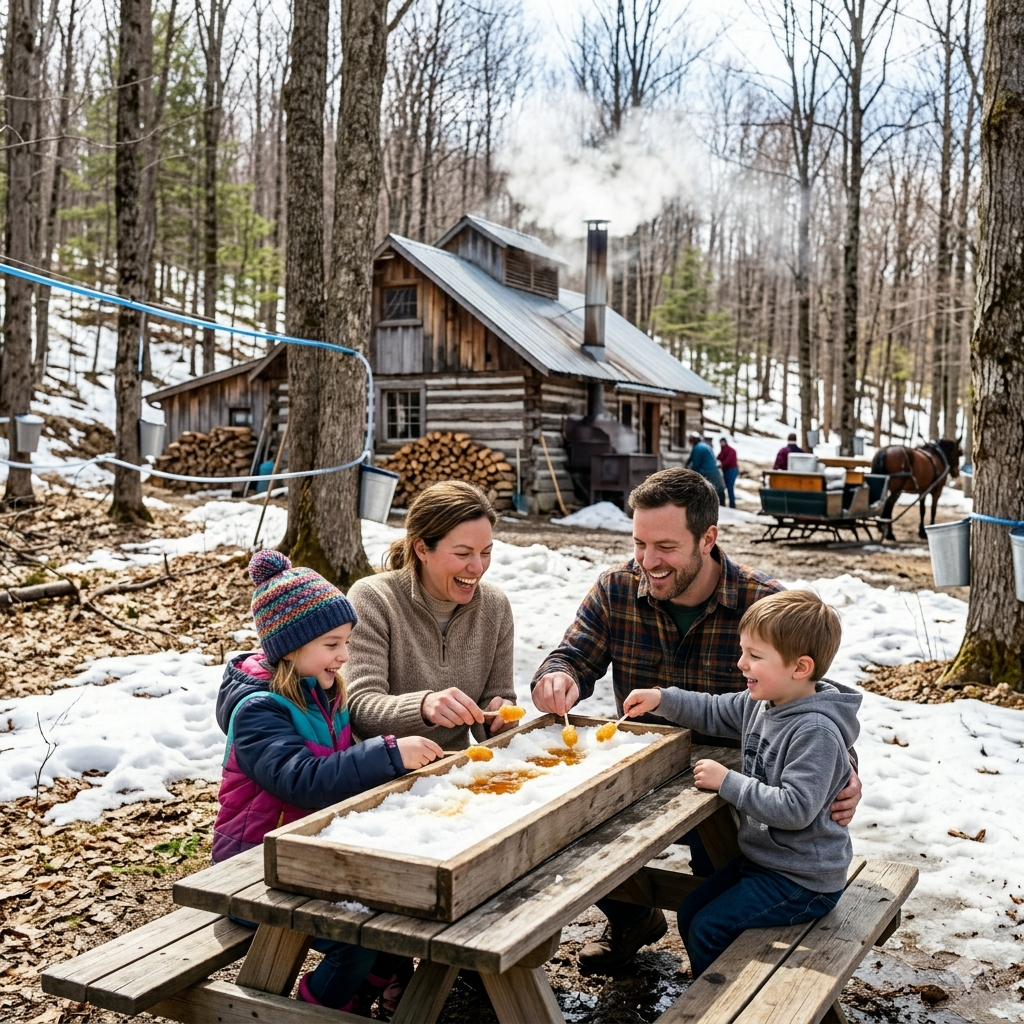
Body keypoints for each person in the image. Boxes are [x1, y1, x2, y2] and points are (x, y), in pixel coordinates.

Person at [530, 467, 862, 973]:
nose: (647, 561)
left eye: (664, 546)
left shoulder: (763, 604)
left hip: (733, 789)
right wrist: (557, 678)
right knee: (569, 830)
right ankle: (631, 918)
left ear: (708, 538)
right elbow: (571, 654)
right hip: (642, 772)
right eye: (640, 543)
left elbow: (813, 703)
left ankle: (731, 972)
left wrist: (846, 773)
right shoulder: (617, 589)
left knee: (717, 880)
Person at [213, 550, 444, 1013]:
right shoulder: (259, 711)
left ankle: (370, 985)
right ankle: (319, 1009)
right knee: (355, 940)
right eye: (332, 644)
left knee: (402, 909)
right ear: (291, 647)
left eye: (346, 642)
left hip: (306, 857)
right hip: (254, 869)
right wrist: (390, 754)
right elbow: (303, 780)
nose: (344, 656)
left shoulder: (320, 691)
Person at [623, 589, 860, 978]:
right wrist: (661, 698)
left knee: (708, 928)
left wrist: (727, 781)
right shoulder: (763, 702)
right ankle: (711, 987)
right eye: (742, 651)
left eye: (755, 656)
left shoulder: (814, 730)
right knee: (691, 909)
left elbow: (796, 809)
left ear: (800, 668)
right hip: (767, 862)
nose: (741, 663)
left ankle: (722, 1003)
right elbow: (713, 709)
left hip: (804, 879)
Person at [346, 480, 517, 751]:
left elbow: (497, 700)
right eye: (463, 553)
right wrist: (423, 707)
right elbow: (359, 707)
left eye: (486, 552)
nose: (477, 567)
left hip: (455, 769)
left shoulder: (495, 606)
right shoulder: (373, 599)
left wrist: (499, 716)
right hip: (381, 774)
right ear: (422, 548)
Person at [685, 431, 725, 504]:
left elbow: (696, 464)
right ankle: (722, 504)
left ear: (694, 440)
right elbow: (691, 458)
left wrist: (692, 475)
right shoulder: (704, 445)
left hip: (706, 471)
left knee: (706, 490)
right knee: (718, 489)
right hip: (715, 470)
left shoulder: (697, 448)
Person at [717, 437, 739, 509]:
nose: (722, 444)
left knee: (730, 487)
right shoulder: (723, 450)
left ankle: (732, 505)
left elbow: (728, 460)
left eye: (723, 442)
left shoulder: (731, 450)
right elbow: (719, 457)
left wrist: (722, 464)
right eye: (721, 442)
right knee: (725, 487)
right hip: (726, 470)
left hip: (732, 470)